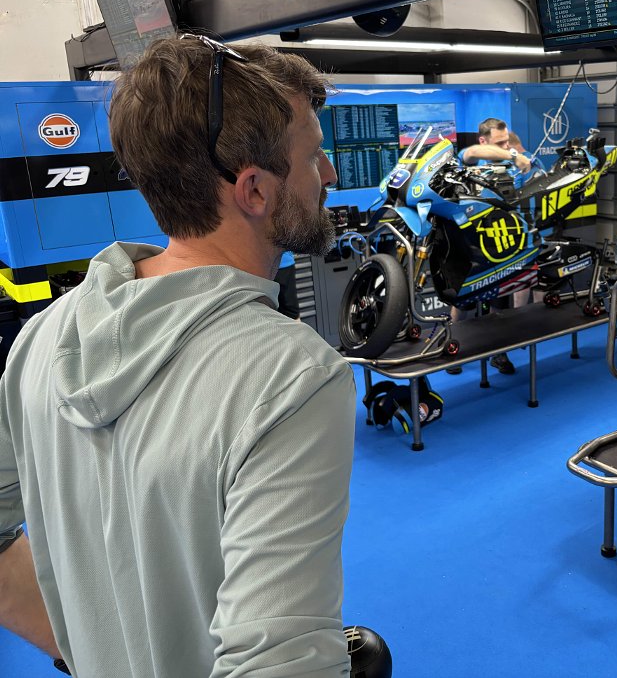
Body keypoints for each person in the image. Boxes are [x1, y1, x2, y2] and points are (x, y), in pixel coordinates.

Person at [0, 35, 355, 676]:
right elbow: (279, 662)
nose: (328, 175)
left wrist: (96, 654)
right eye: (313, 155)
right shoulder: (292, 377)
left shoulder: (40, 338)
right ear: (254, 190)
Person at [445, 118, 530, 375]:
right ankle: (452, 348)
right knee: (462, 302)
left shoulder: (512, 168)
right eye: (499, 142)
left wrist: (519, 158)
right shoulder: (470, 161)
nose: (506, 147)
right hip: (471, 244)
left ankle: (498, 354)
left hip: (501, 244)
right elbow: (471, 152)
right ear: (484, 140)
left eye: (507, 142)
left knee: (499, 305)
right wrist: (513, 154)